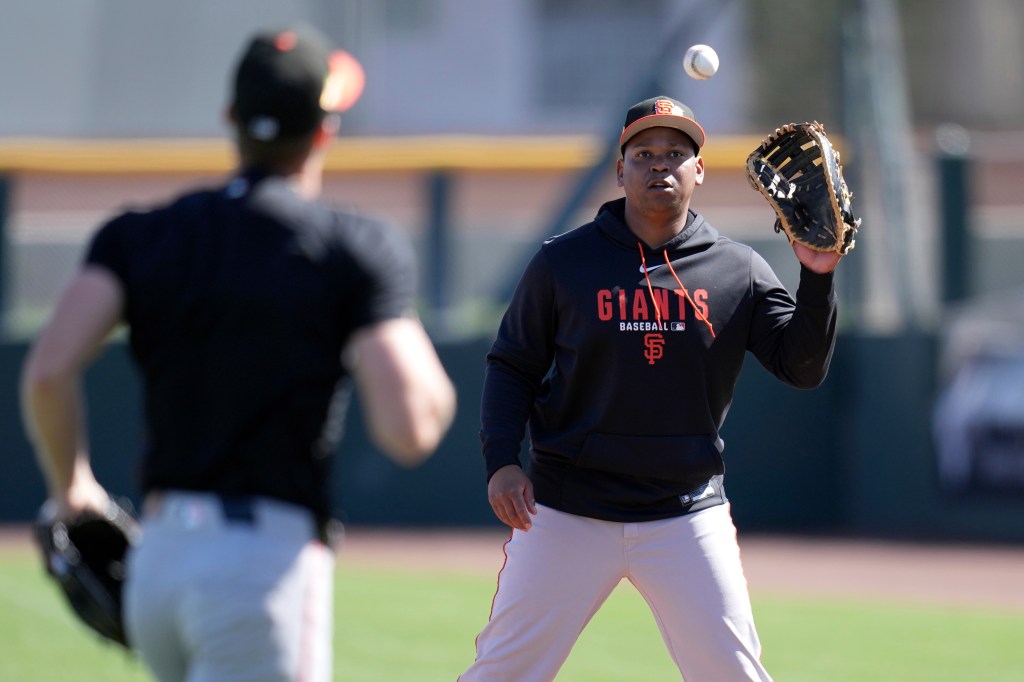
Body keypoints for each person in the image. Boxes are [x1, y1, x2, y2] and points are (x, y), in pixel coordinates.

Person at [21, 24, 456, 682]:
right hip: (259, 569)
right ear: (325, 130)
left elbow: (48, 372)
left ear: (229, 119)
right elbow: (409, 428)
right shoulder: (353, 247)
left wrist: (72, 490)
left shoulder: (140, 235)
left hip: (158, 562)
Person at [459, 96, 844, 681]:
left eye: (675, 153)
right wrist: (500, 462)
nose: (659, 164)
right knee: (502, 672)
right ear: (620, 171)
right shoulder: (564, 263)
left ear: (698, 170)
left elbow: (803, 367)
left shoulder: (735, 268)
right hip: (566, 508)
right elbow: (513, 364)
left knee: (735, 674)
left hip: (685, 512)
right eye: (643, 153)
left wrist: (818, 277)